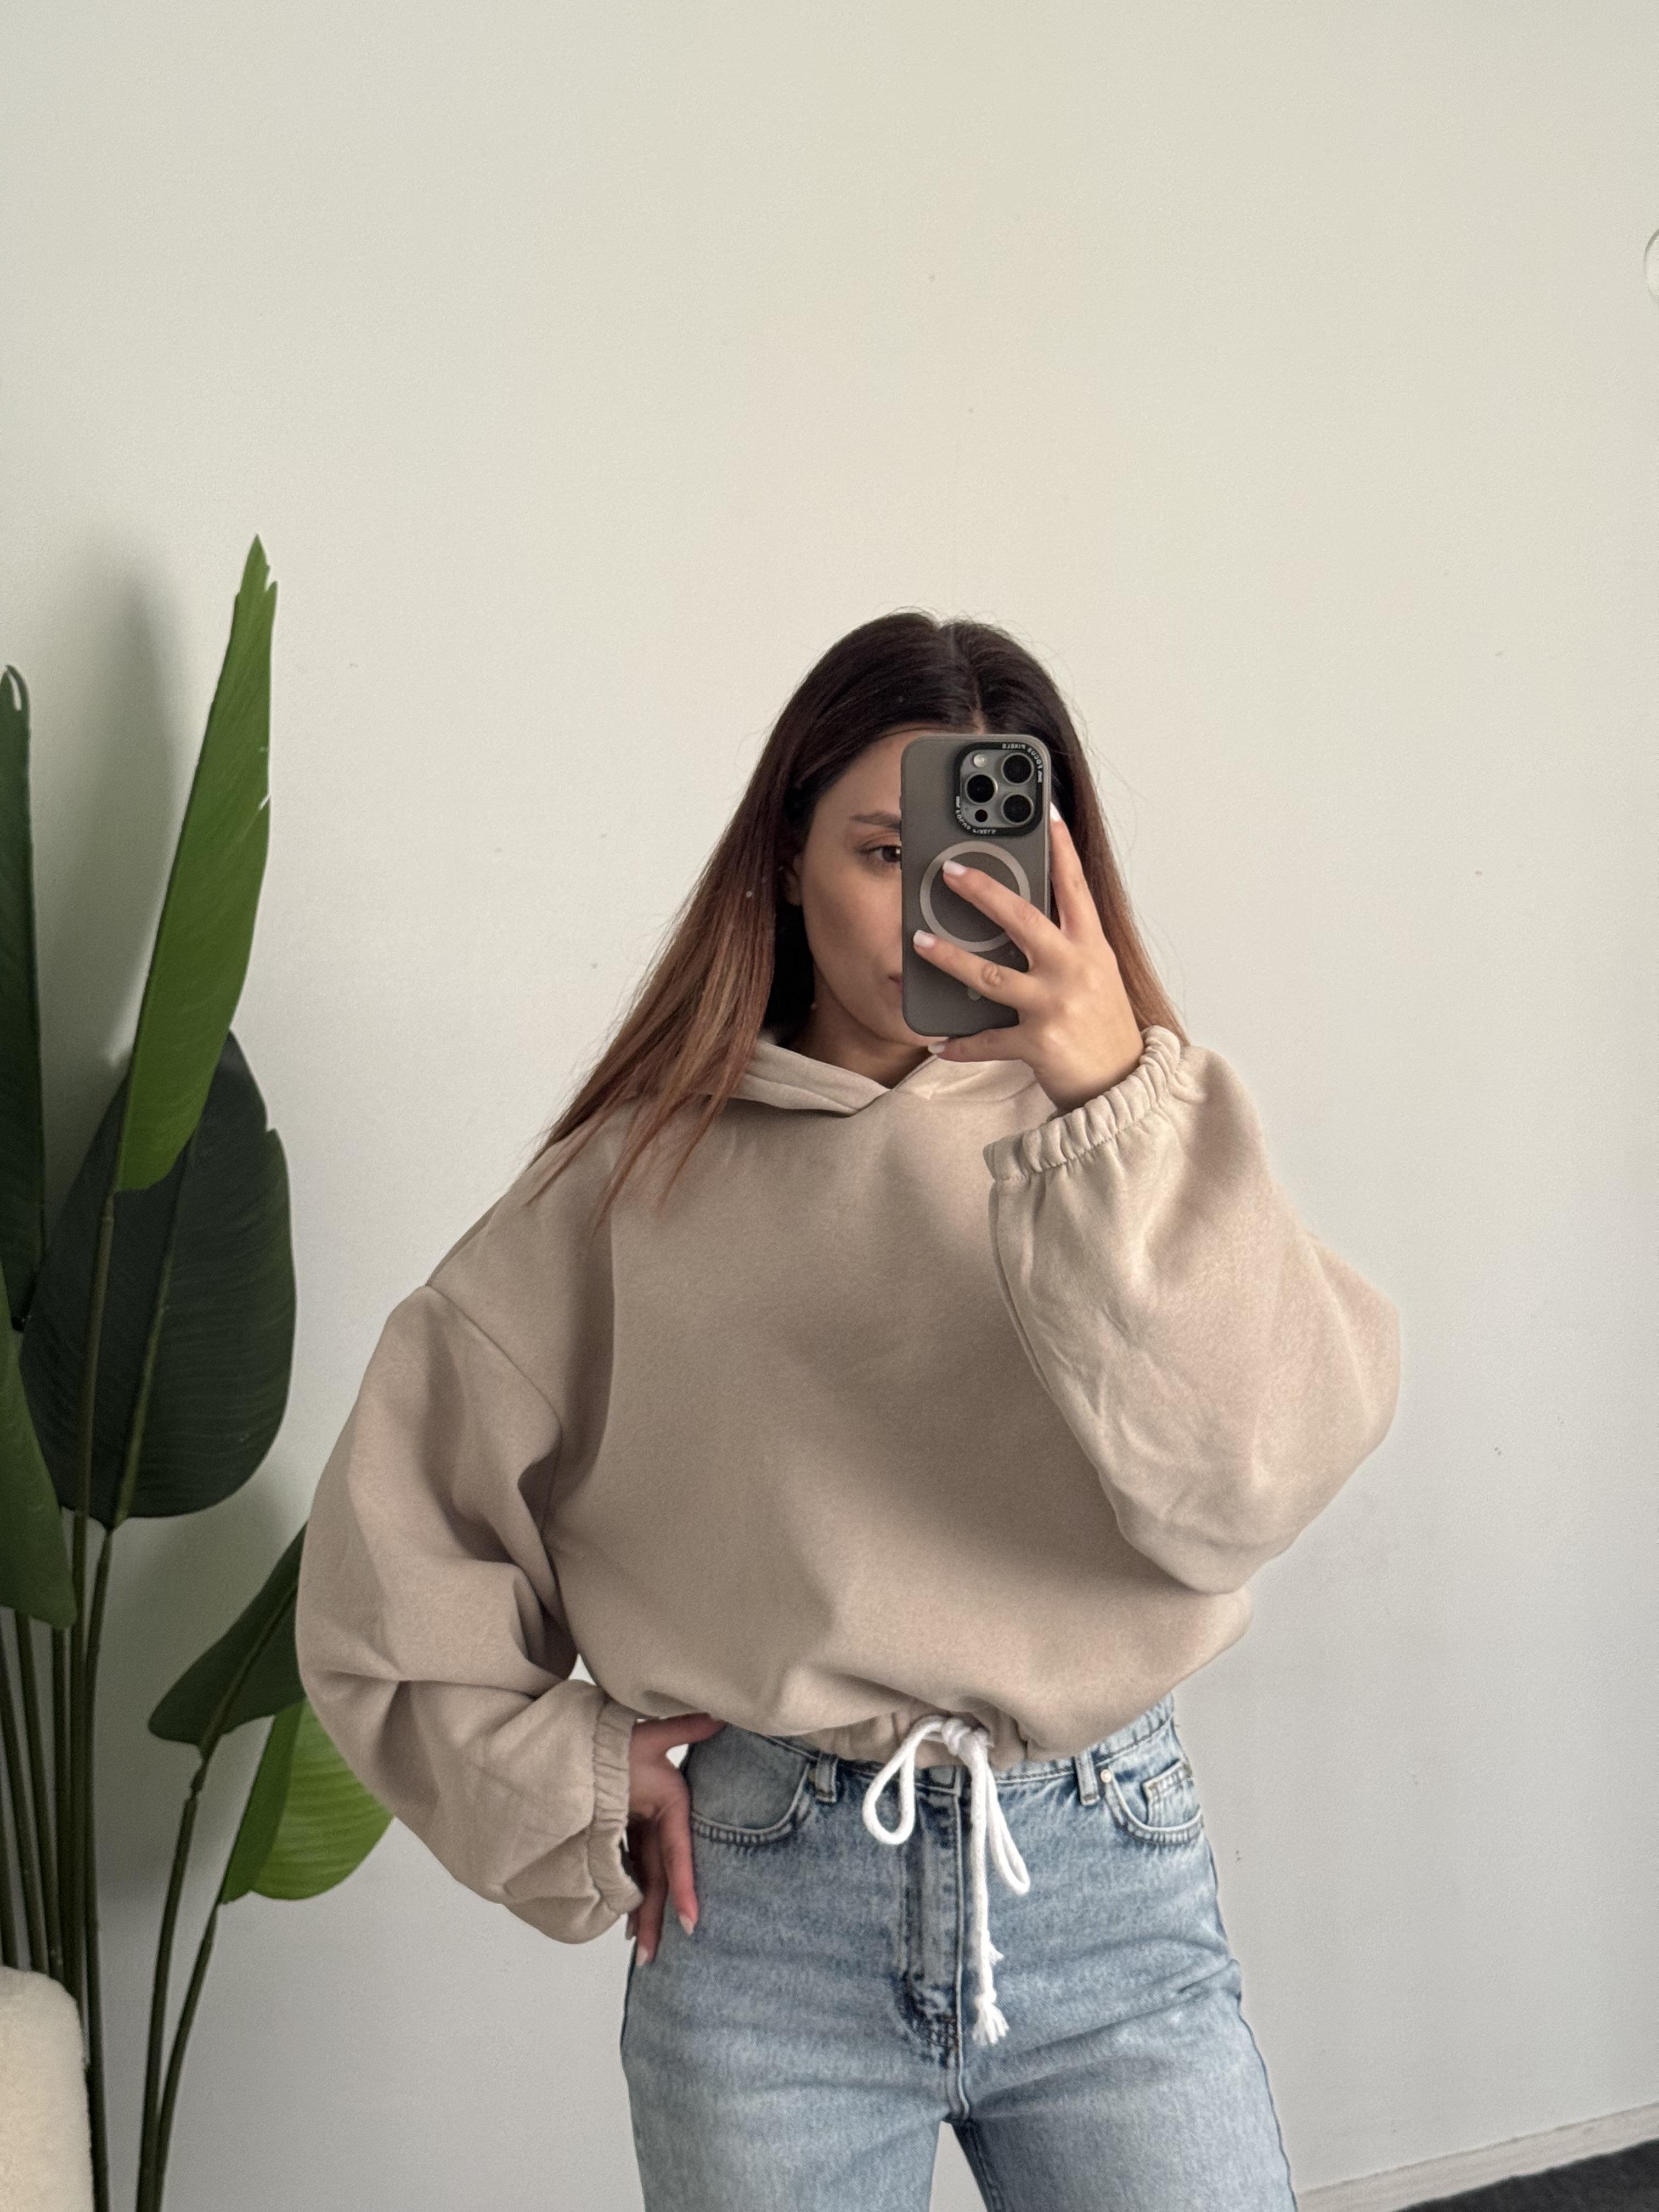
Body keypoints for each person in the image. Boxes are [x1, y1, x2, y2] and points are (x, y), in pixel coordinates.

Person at [295, 612, 1401, 2211]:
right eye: (886, 851)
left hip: (1106, 1880)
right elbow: (391, 1562)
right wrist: (567, 1775)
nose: (941, 900)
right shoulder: (630, 1188)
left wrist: (1111, 1102)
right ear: (786, 859)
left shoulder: (1132, 1151)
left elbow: (1250, 1484)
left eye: (985, 852)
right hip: (765, 1920)